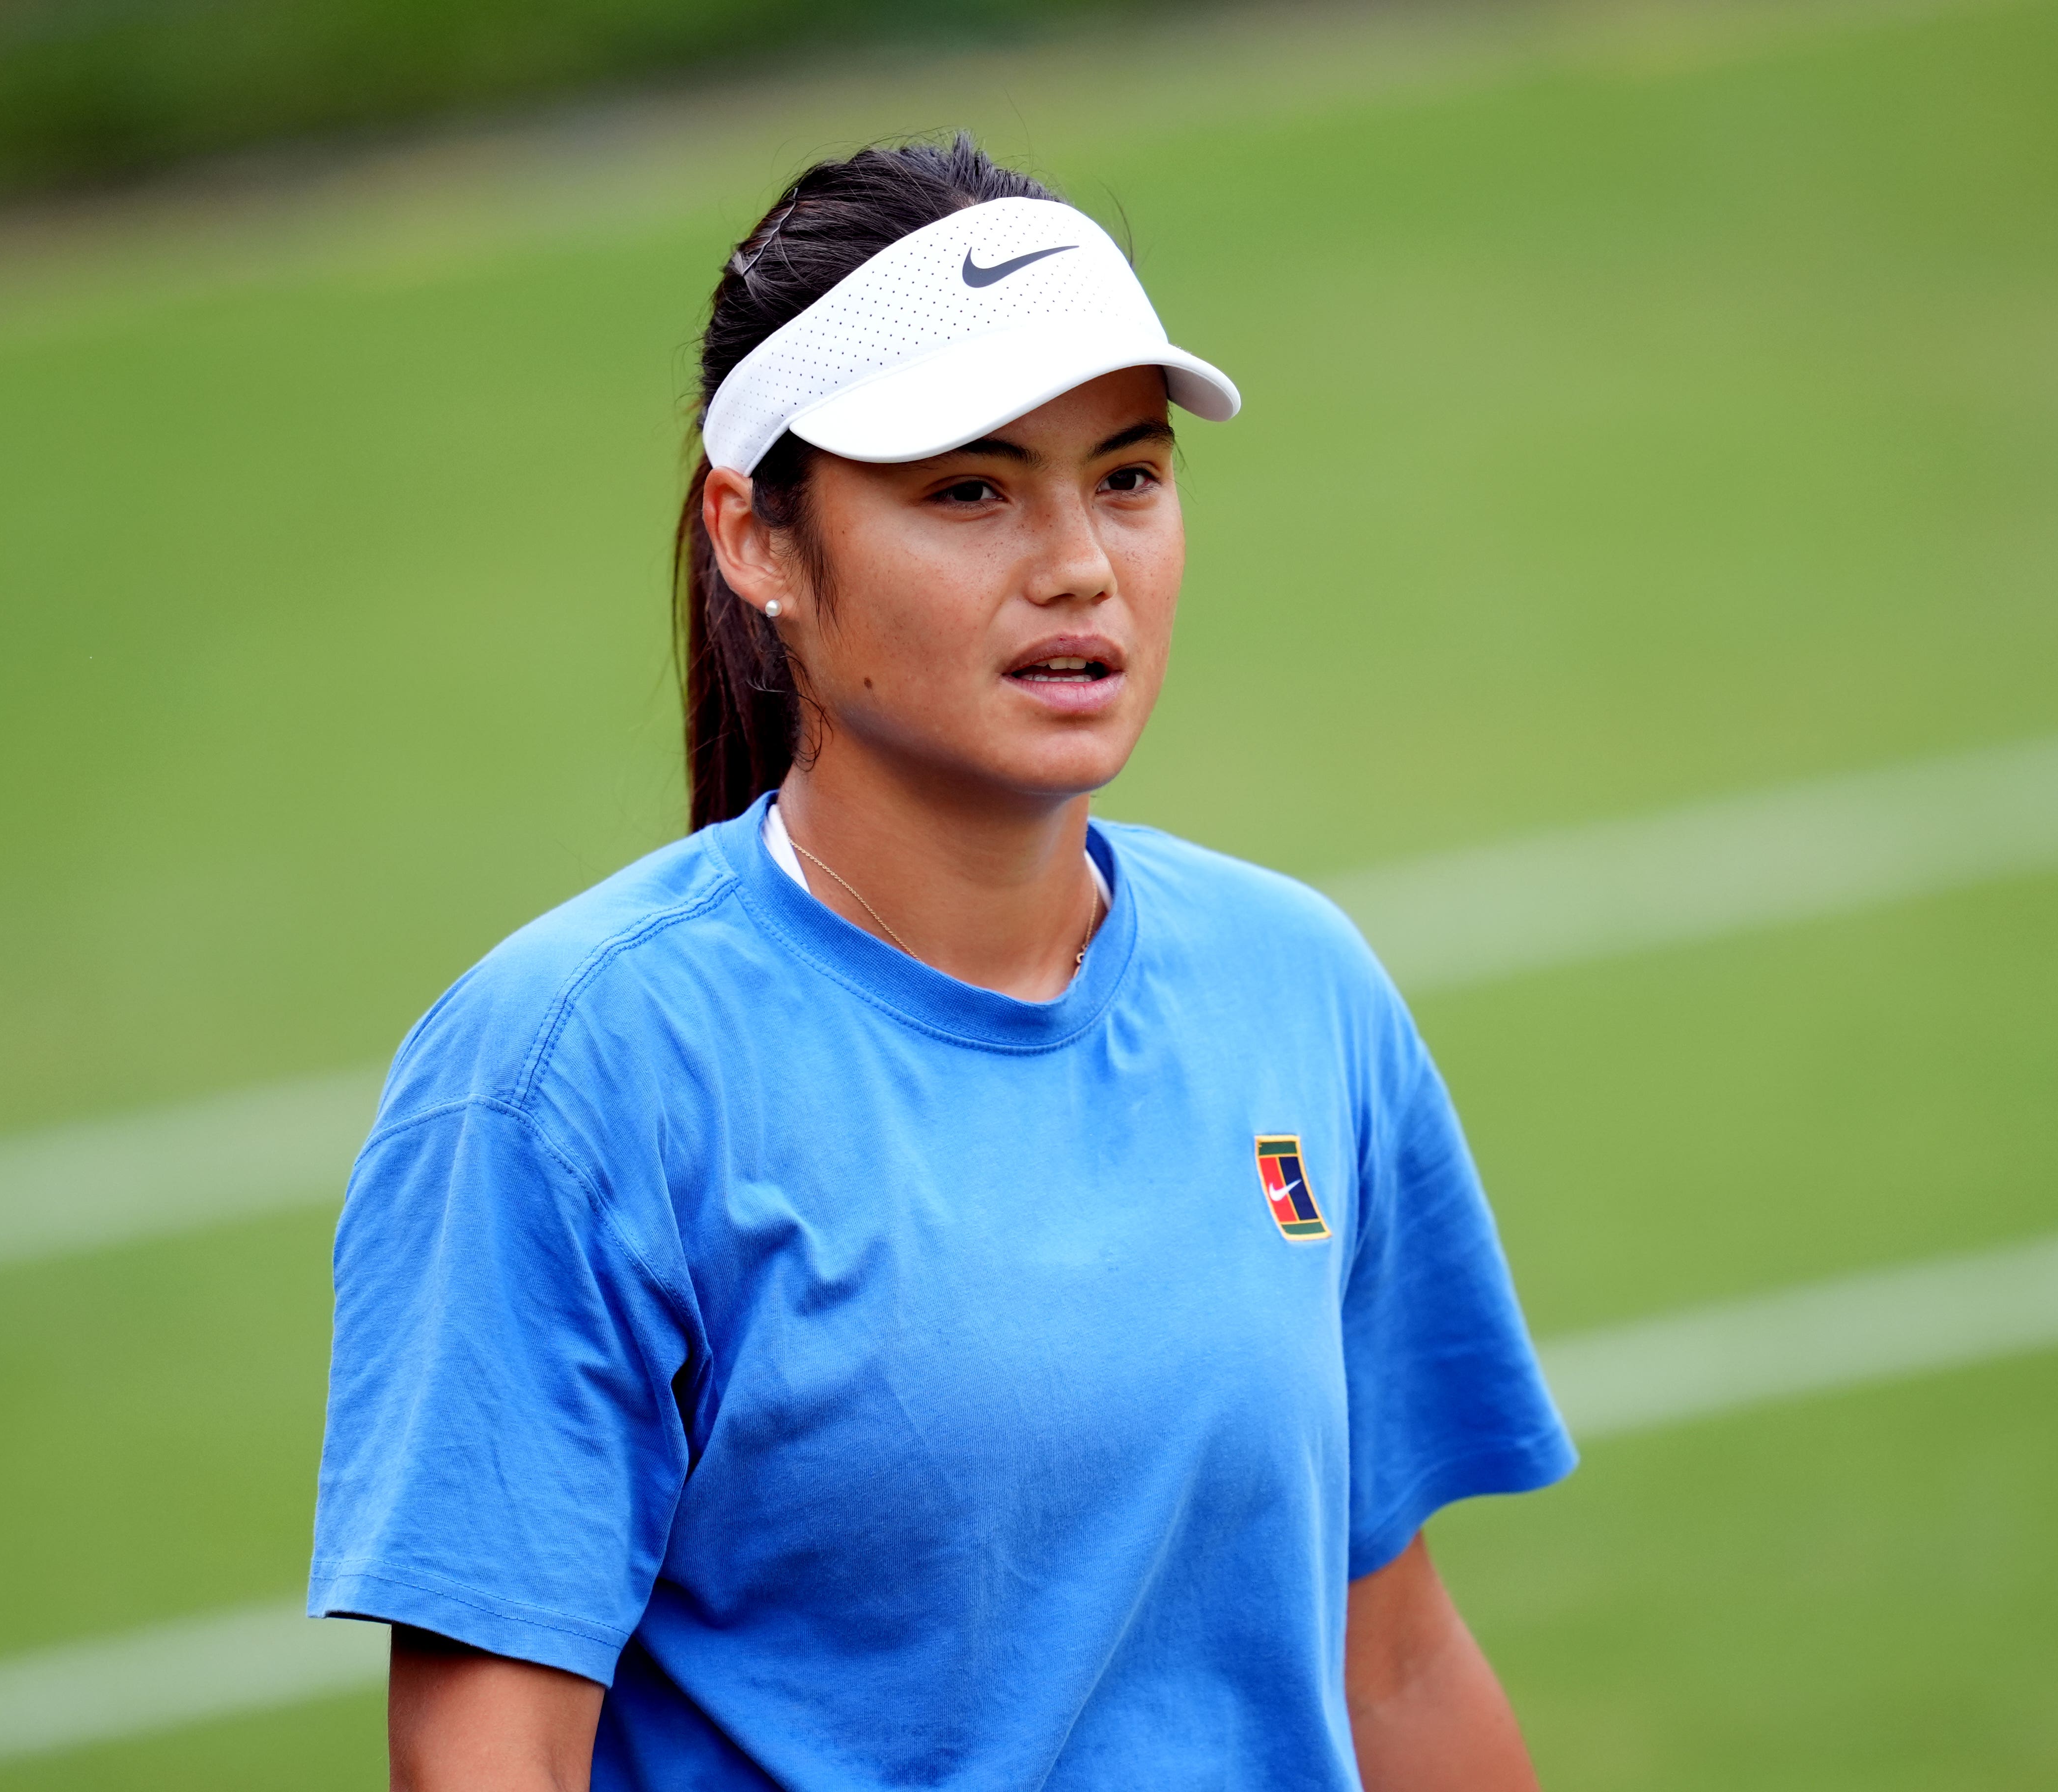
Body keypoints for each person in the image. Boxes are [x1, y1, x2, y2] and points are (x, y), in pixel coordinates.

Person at [309, 134, 1575, 1792]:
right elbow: (495, 1763)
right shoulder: (564, 1078)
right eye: (970, 488)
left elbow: (1393, 1662)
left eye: (1126, 475)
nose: (1078, 563)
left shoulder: (1299, 985)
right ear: (756, 538)